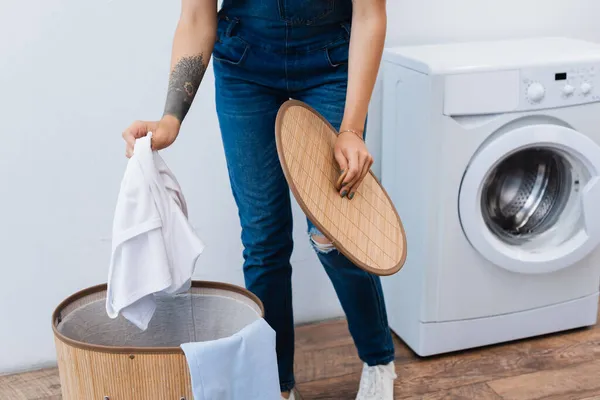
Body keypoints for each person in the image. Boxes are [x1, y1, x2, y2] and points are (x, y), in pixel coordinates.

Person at [122, 0, 396, 398]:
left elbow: (370, 13)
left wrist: (352, 128)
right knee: (263, 237)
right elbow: (197, 16)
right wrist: (170, 119)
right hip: (245, 70)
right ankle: (277, 384)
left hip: (331, 65)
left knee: (335, 233)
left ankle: (378, 359)